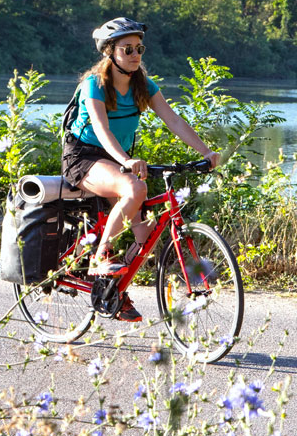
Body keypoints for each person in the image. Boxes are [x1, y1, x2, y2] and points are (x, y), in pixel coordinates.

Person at [62, 17, 221, 321]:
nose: (135, 54)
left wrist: (206, 152)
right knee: (136, 187)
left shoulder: (142, 85)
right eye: (127, 49)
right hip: (83, 157)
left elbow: (173, 120)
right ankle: (101, 255)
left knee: (146, 236)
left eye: (139, 48)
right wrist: (125, 161)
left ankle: (113, 292)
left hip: (117, 160)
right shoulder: (94, 84)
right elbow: (100, 128)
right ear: (110, 52)